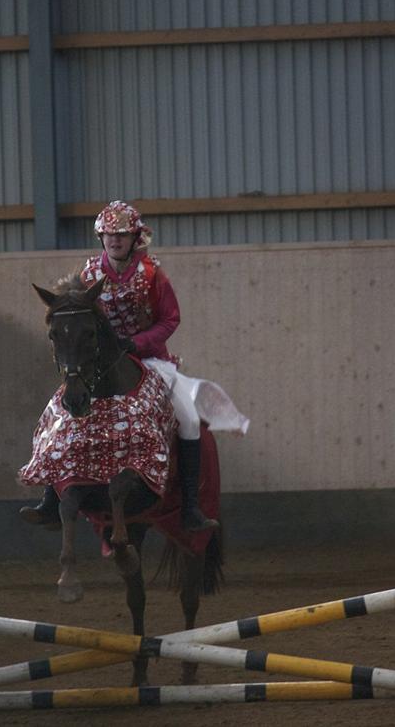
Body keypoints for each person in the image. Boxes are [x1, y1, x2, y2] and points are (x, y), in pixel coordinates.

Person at [21, 200, 248, 532]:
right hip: (98, 361)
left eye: (122, 235)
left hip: (151, 359)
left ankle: (190, 508)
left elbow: (171, 319)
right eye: (109, 235)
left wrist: (138, 343)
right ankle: (50, 501)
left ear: (134, 238)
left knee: (186, 417)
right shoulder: (87, 275)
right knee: (55, 412)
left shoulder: (153, 274)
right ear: (102, 238)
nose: (115, 241)